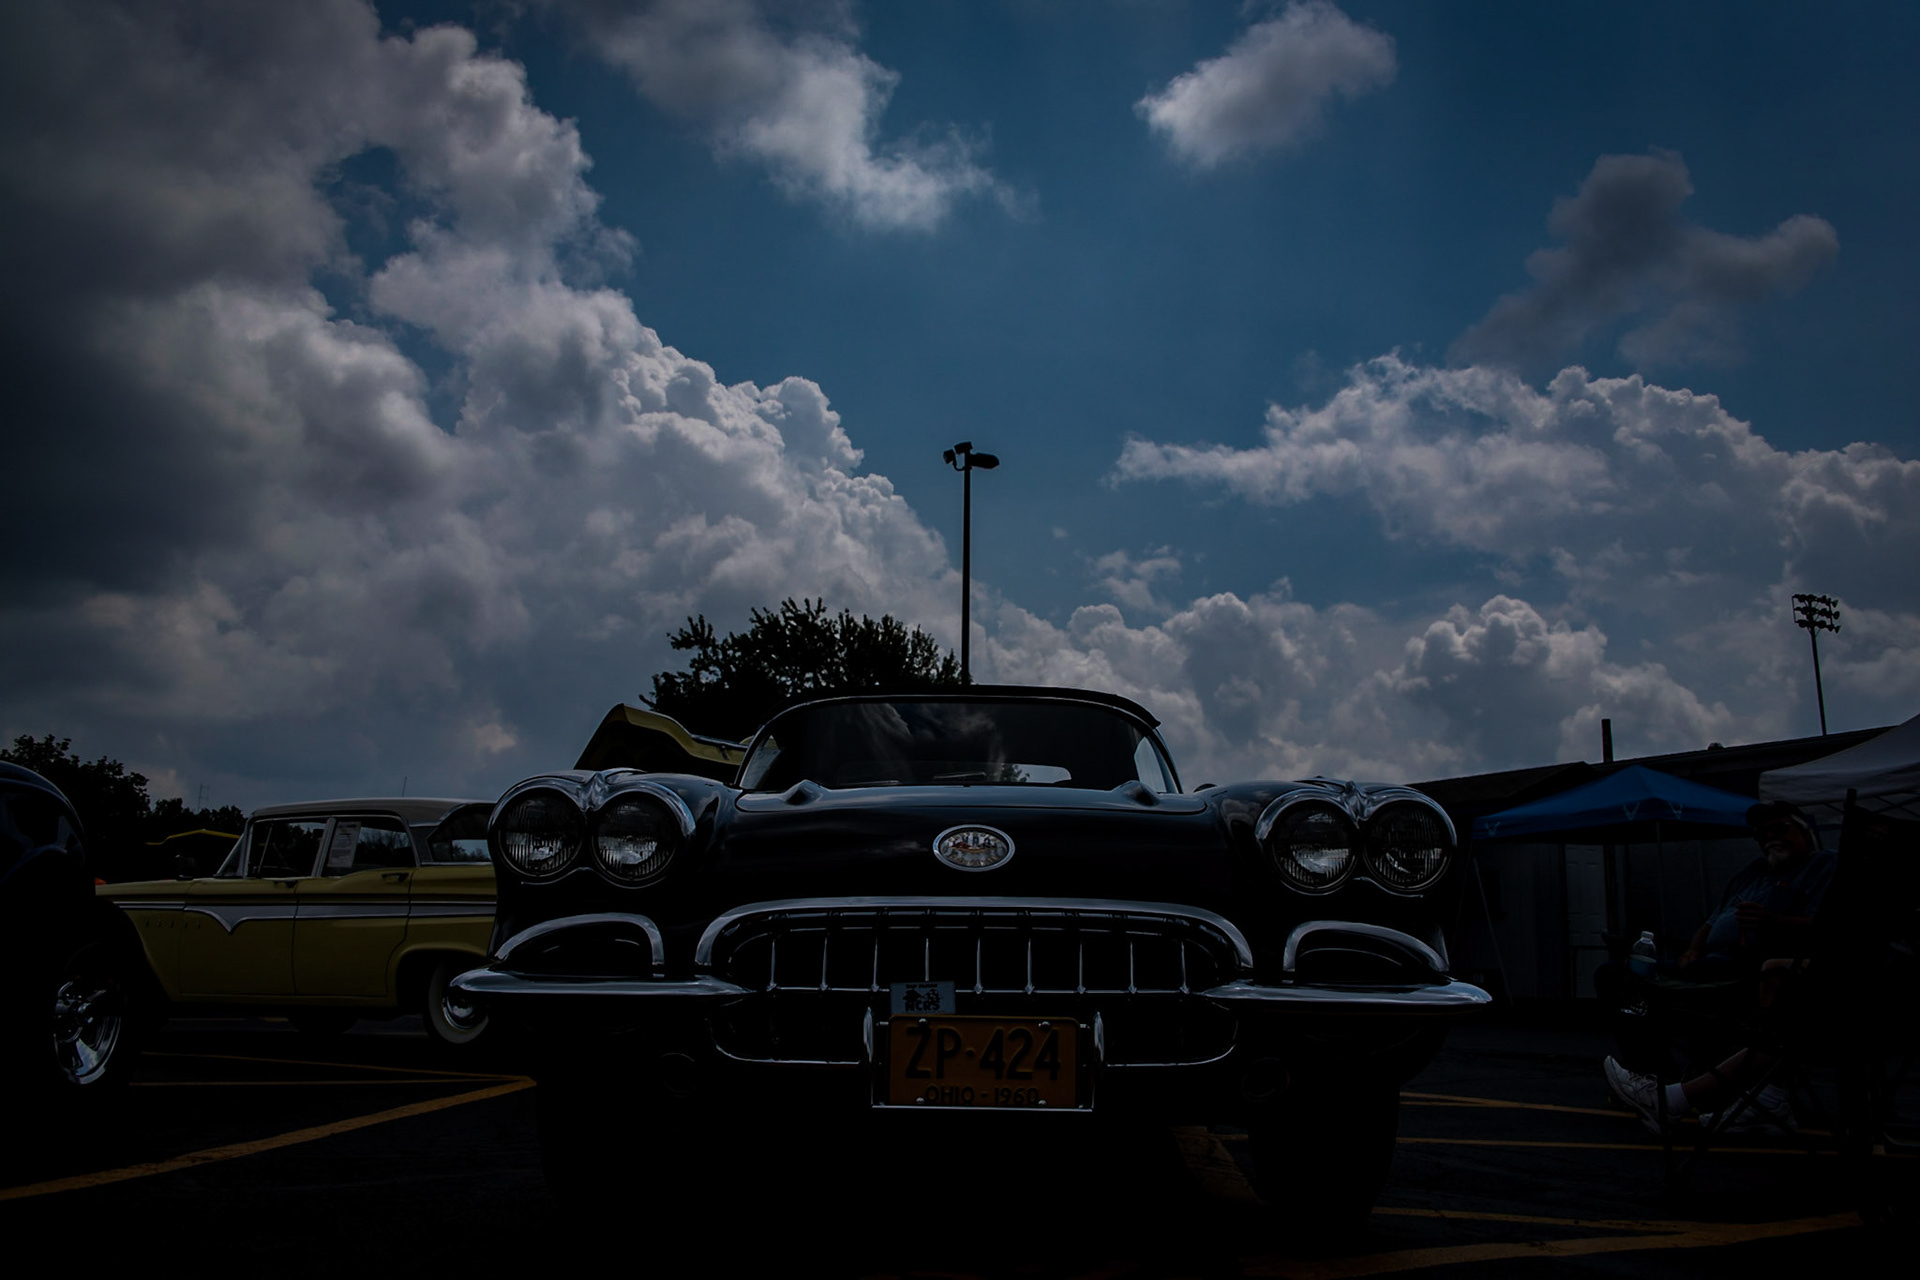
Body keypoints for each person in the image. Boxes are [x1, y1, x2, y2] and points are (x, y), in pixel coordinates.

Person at [1599, 801, 1835, 1134]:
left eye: (1780, 828)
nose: (1770, 837)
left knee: (1691, 990)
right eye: (1761, 833)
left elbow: (1828, 928)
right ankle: (1659, 1078)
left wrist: (1773, 921)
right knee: (1617, 975)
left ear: (1805, 830)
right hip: (1710, 960)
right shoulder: (1752, 872)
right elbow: (1712, 921)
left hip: (1753, 967)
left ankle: (1677, 1093)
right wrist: (1694, 948)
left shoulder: (1823, 866)